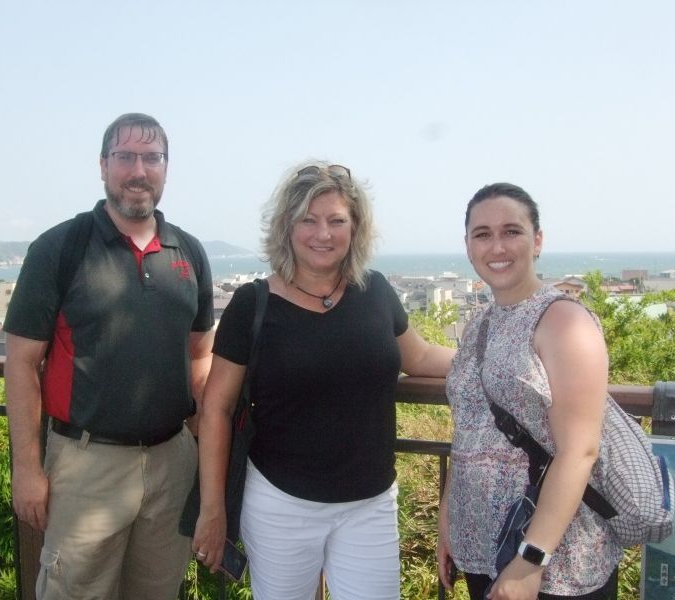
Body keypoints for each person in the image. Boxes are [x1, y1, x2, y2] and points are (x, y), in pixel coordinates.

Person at [191, 162, 455, 600]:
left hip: (369, 504)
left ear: (356, 229)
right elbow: (216, 409)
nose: (323, 233)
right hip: (280, 504)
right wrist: (213, 508)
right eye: (308, 220)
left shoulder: (376, 293)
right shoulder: (252, 304)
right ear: (286, 227)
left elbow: (422, 356)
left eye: (337, 221)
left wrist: (493, 359)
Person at [3, 113, 214, 600]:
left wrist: (202, 443)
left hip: (170, 462)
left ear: (166, 168)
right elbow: (20, 363)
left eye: (151, 158)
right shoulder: (61, 247)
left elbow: (200, 355)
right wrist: (27, 469)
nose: (138, 170)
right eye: (125, 157)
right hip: (84, 465)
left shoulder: (190, 253)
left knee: (158, 592)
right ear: (103, 166)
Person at [437, 183, 623, 600]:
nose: (496, 245)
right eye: (482, 234)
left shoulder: (562, 322)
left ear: (537, 240)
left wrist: (529, 561)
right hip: (483, 548)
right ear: (468, 247)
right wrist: (448, 518)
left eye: (512, 231)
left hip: (555, 561)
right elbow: (467, 429)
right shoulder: (480, 324)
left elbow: (580, 451)